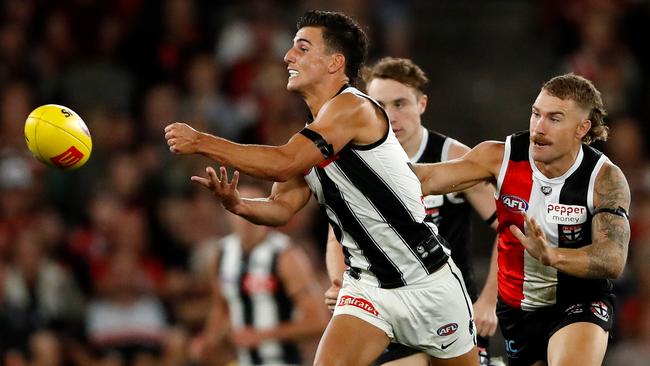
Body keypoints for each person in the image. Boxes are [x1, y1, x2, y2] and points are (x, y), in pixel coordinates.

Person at [165, 10, 479, 366]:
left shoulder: (353, 108)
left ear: (335, 62)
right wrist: (237, 204)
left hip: (426, 283)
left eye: (301, 48)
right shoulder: (314, 134)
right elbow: (280, 208)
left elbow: (284, 163)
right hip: (368, 287)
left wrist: (200, 141)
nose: (287, 57)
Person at [415, 73, 631, 366]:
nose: (538, 128)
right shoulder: (499, 157)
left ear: (582, 128)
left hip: (579, 302)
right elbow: (427, 178)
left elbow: (612, 259)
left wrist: (552, 256)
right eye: (536, 114)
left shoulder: (603, 178)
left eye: (554, 118)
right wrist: (365, 162)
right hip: (516, 309)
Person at [324, 57, 500, 366]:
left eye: (400, 103)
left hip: (448, 308)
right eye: (379, 104)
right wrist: (339, 283)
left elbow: (510, 227)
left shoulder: (453, 157)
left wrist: (489, 300)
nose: (391, 115)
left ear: (422, 104)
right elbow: (336, 237)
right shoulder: (356, 161)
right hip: (387, 309)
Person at [193, 180, 329, 365]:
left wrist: (263, 335)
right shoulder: (222, 254)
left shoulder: (286, 256)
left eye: (254, 204)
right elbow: (223, 307)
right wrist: (208, 341)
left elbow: (318, 321)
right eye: (241, 203)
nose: (245, 214)